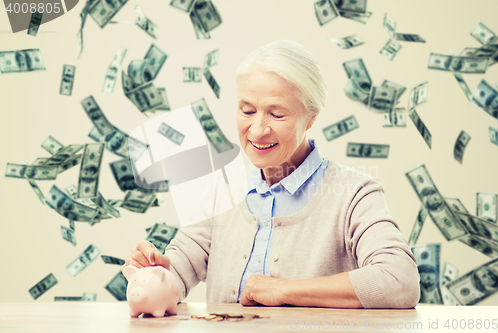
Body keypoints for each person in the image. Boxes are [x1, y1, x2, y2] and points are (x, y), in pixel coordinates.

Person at [122, 40, 420, 309]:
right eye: (247, 110)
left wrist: (286, 291)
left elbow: (399, 280)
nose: (258, 129)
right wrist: (155, 272)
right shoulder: (222, 190)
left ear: (311, 116)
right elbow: (176, 275)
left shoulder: (355, 193)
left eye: (277, 114)